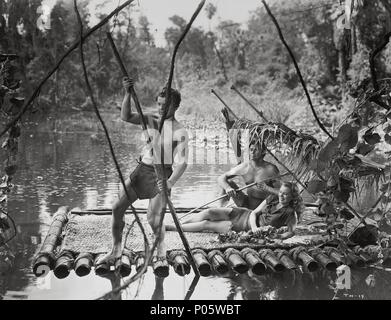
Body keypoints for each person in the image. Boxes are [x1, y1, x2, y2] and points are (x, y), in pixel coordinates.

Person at [98, 77, 188, 265]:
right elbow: (126, 116)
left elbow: (183, 163)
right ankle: (116, 250)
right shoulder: (152, 120)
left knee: (154, 220)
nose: (161, 108)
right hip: (142, 169)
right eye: (159, 104)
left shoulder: (180, 131)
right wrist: (128, 93)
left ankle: (161, 250)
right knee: (117, 208)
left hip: (161, 175)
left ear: (176, 106)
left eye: (166, 105)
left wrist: (170, 183)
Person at [167, 182, 303, 240]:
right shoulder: (272, 197)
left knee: (206, 225)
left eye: (285, 194)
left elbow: (291, 232)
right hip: (245, 214)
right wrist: (256, 227)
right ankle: (181, 224)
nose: (281, 195)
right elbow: (254, 213)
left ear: (292, 196)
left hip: (243, 228)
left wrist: (279, 237)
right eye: (280, 192)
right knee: (209, 212)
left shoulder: (291, 213)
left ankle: (173, 227)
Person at [217, 142, 280, 209]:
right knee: (228, 182)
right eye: (251, 149)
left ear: (263, 152)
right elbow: (221, 178)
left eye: (256, 150)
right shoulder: (245, 166)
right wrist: (228, 188)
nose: (252, 152)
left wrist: (266, 188)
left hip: (263, 207)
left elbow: (281, 192)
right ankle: (220, 208)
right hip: (246, 204)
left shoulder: (271, 169)